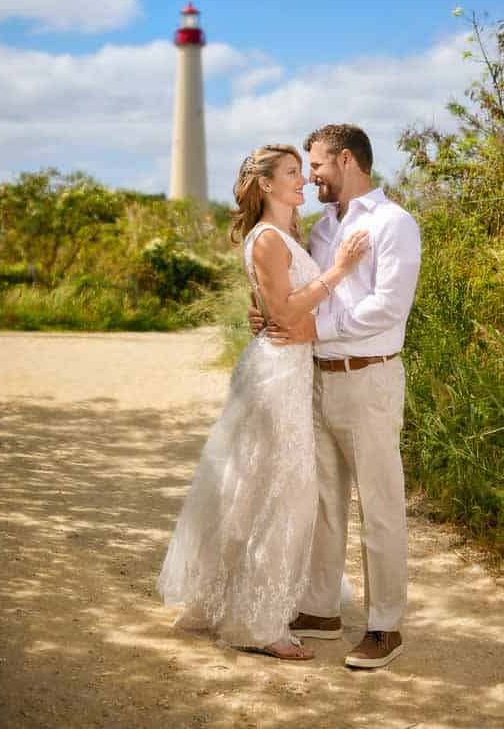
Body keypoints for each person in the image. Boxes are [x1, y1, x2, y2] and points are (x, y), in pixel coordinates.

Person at [156, 144, 369, 660]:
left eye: (302, 172)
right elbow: (283, 309)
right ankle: (259, 623)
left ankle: (237, 602)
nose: (302, 182)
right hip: (276, 375)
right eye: (293, 174)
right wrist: (338, 270)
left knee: (260, 489)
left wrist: (271, 312)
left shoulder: (287, 234)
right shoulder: (270, 238)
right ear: (267, 186)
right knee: (287, 492)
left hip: (290, 368)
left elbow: (270, 309)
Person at [251, 124, 420, 669]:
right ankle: (321, 609)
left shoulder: (394, 223)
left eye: (317, 165)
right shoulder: (323, 229)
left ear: (346, 161)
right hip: (315, 379)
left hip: (370, 379)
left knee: (380, 506)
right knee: (322, 502)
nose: (312, 175)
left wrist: (315, 329)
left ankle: (385, 626)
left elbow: (388, 308)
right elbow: (301, 297)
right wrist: (276, 315)